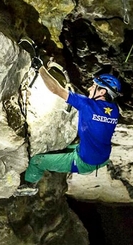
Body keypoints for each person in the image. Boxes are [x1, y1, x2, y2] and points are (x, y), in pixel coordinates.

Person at [15, 59, 121, 196]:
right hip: (102, 156)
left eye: (94, 86)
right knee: (62, 148)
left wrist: (40, 68)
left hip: (85, 161)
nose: (89, 88)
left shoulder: (87, 105)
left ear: (102, 92)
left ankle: (28, 186)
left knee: (37, 161)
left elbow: (55, 89)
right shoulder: (114, 110)